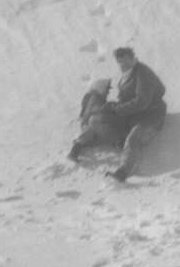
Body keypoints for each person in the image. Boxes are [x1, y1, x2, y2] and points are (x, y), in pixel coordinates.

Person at [68, 47, 167, 182]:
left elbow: (142, 102)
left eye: (126, 61)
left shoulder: (143, 74)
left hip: (150, 116)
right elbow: (127, 98)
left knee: (133, 138)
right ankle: (78, 145)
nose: (123, 65)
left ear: (133, 59)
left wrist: (118, 109)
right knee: (100, 121)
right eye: (120, 62)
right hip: (132, 115)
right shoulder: (128, 74)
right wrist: (112, 107)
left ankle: (124, 172)